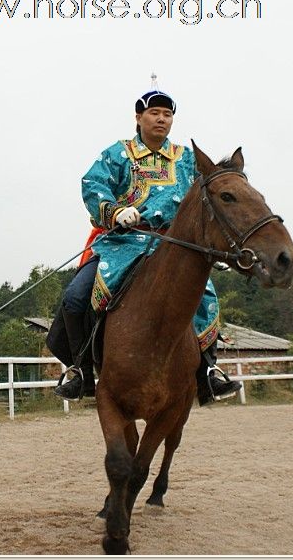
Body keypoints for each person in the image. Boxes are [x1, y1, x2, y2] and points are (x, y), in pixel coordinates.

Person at [51, 82, 241, 403]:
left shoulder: (185, 159)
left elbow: (208, 197)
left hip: (174, 246)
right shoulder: (117, 154)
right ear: (138, 117)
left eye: (167, 114)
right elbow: (92, 183)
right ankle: (81, 371)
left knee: (205, 298)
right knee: (74, 297)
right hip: (123, 241)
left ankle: (209, 369)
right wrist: (113, 211)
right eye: (154, 113)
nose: (162, 119)